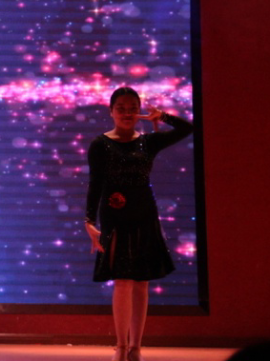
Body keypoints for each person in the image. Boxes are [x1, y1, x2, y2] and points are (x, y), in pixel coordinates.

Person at [83, 87, 193, 361]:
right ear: (111, 111)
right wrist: (89, 220)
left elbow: (187, 128)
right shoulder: (100, 144)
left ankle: (136, 348)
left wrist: (162, 116)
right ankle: (120, 347)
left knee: (142, 281)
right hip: (114, 216)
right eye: (121, 108)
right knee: (122, 280)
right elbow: (95, 184)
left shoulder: (148, 142)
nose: (127, 113)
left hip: (144, 214)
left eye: (133, 108)